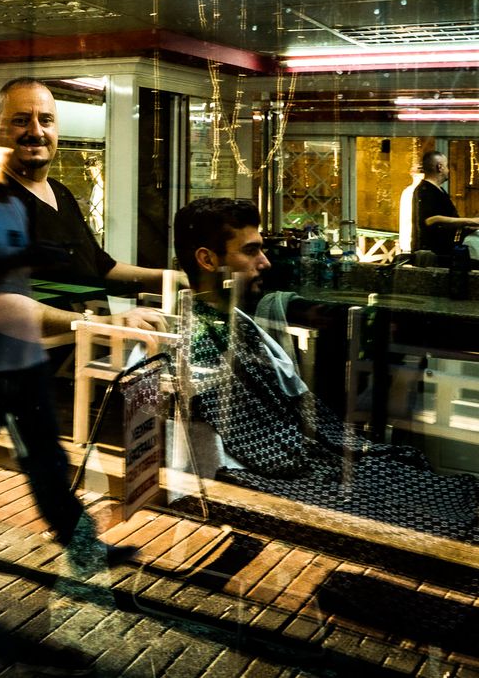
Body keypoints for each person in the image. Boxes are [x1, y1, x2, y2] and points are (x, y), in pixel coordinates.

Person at [172, 197, 478, 540]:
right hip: (288, 473)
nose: (265, 262)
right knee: (442, 521)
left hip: (315, 453)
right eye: (251, 251)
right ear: (207, 259)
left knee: (435, 486)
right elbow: (251, 440)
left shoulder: (234, 320)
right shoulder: (196, 338)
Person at [0, 144, 135, 574]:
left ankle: (78, 540)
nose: (5, 165)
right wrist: (24, 259)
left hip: (24, 354)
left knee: (45, 455)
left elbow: (23, 282)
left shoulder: (17, 208)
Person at [0, 77, 171, 296]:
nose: (36, 131)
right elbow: (3, 304)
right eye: (21, 121)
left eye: (46, 120)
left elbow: (101, 268)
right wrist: (114, 317)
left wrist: (171, 280)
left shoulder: (60, 193)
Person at [412, 150, 479, 259]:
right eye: (447, 166)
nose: (448, 170)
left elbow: (447, 220)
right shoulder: (425, 190)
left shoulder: (439, 190)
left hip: (444, 252)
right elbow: (431, 220)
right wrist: (471, 221)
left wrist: (469, 226)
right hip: (434, 255)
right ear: (440, 167)